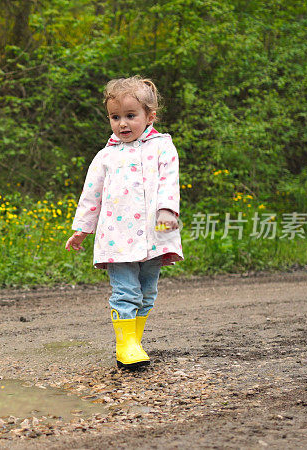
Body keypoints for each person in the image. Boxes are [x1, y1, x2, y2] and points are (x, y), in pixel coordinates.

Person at [65, 76, 183, 370]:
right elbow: (91, 195)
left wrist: (168, 214)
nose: (122, 124)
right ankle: (126, 347)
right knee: (126, 292)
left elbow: (170, 182)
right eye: (115, 117)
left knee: (147, 292)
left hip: (156, 234)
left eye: (131, 116)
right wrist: (82, 230)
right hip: (117, 237)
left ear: (149, 117)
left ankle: (135, 341)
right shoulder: (106, 156)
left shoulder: (162, 147)